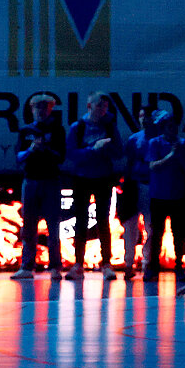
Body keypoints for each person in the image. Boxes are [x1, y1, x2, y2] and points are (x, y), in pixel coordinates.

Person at [64, 93, 124, 279]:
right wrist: (93, 149)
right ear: (89, 106)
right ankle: (78, 264)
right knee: (80, 221)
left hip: (103, 177)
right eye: (99, 106)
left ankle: (106, 264)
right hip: (82, 177)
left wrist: (107, 148)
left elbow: (119, 153)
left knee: (103, 221)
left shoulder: (110, 127)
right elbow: (71, 154)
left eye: (105, 107)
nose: (103, 110)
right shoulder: (78, 127)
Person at [13, 94, 65, 278]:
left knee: (53, 226)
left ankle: (55, 267)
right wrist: (31, 150)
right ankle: (27, 266)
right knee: (29, 226)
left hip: (51, 180)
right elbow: (18, 158)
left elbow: (62, 157)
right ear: (32, 109)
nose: (41, 111)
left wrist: (46, 149)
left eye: (45, 107)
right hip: (31, 181)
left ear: (50, 109)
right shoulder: (25, 131)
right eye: (37, 107)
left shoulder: (58, 130)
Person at [143, 109, 185, 277]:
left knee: (178, 232)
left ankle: (179, 266)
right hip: (159, 194)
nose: (173, 130)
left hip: (178, 194)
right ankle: (153, 267)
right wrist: (172, 156)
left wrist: (180, 157)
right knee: (156, 232)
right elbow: (152, 166)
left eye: (175, 126)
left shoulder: (184, 144)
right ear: (163, 128)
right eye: (169, 127)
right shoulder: (155, 143)